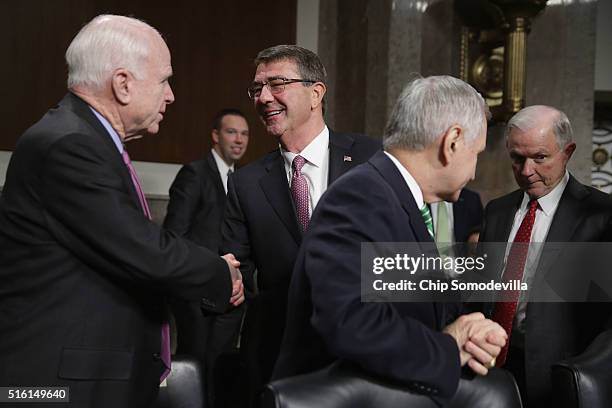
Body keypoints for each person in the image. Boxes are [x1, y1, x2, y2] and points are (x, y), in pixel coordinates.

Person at [0, 15, 243, 408]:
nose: (171, 96)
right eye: (164, 79)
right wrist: (220, 272)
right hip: (58, 385)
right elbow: (143, 248)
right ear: (123, 84)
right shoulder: (68, 145)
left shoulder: (82, 137)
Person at [272, 75, 507, 404]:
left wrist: (468, 329)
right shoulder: (360, 196)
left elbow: (411, 304)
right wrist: (449, 346)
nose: (474, 171)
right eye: (477, 152)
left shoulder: (396, 196)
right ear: (452, 141)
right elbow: (350, 321)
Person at [221, 44, 380, 405]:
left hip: (365, 352)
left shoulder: (372, 157)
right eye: (257, 89)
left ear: (316, 92)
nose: (263, 98)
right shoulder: (246, 183)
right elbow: (237, 272)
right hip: (281, 360)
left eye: (277, 84)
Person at [478, 105, 612, 407]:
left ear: (567, 152)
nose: (526, 171)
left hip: (561, 378)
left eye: (540, 158)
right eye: (517, 158)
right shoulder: (496, 211)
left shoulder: (601, 216)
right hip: (492, 370)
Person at [164, 108, 249, 407]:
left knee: (221, 372)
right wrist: (208, 272)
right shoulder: (195, 173)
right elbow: (175, 235)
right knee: (196, 370)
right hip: (197, 294)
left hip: (232, 298)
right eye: (231, 132)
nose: (239, 140)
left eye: (244, 134)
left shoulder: (243, 180)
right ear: (215, 136)